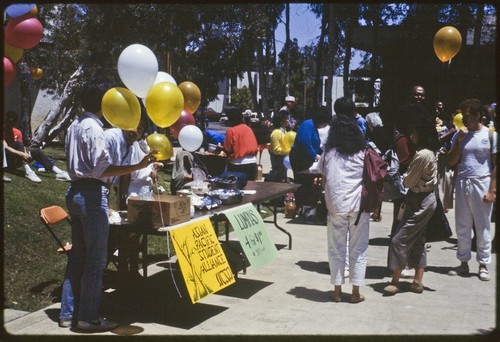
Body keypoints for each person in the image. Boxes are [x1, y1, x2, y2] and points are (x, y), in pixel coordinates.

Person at [59, 79, 157, 332]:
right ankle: (88, 317)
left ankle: (68, 314)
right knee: (95, 260)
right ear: (104, 104)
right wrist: (140, 165)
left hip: (75, 191)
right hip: (92, 194)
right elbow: (103, 168)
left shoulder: (75, 125)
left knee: (78, 257)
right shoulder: (95, 127)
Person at [384, 115, 440, 295]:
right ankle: (417, 281)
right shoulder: (427, 152)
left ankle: (395, 280)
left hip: (420, 200)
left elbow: (408, 182)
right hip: (421, 199)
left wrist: (401, 176)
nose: (411, 135)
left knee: (399, 239)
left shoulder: (423, 155)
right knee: (418, 241)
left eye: (414, 131)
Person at [318, 115, 368, 303]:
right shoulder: (362, 153)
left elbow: (324, 178)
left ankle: (337, 291)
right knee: (359, 249)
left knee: (336, 249)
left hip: (335, 206)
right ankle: (355, 292)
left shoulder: (329, 153)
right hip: (358, 207)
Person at [446, 99, 497, 281]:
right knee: (462, 224)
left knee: (483, 225)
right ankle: (463, 262)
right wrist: (459, 141)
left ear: (477, 115)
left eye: (466, 115)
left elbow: (496, 165)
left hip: (481, 182)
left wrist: (492, 190)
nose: (463, 119)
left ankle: (483, 264)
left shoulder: (491, 135)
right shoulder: (460, 135)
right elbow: (451, 161)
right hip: (462, 183)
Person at [3, 110, 71, 183]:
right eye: (7, 121)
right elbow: (6, 147)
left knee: (36, 151)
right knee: (18, 143)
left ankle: (58, 172)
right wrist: (22, 154)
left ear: (15, 123)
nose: (9, 124)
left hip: (16, 160)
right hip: (6, 162)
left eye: (11, 122)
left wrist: (26, 154)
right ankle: (28, 172)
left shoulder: (17, 132)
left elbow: (22, 146)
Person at [289, 107, 331, 219]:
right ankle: (301, 206)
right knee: (301, 183)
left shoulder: (314, 127)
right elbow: (305, 144)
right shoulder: (308, 125)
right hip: (299, 158)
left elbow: (316, 145)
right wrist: (316, 156)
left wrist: (324, 154)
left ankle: (307, 206)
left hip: (307, 158)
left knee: (307, 183)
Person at [222, 107, 258, 180]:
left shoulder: (231, 131)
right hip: (252, 163)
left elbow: (227, 149)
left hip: (237, 165)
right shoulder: (248, 129)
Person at [268, 109, 291, 183]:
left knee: (283, 179)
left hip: (284, 161)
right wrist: (289, 151)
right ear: (280, 120)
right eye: (286, 119)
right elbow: (276, 150)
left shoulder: (284, 130)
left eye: (288, 118)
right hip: (278, 161)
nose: (288, 120)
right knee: (278, 181)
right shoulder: (276, 132)